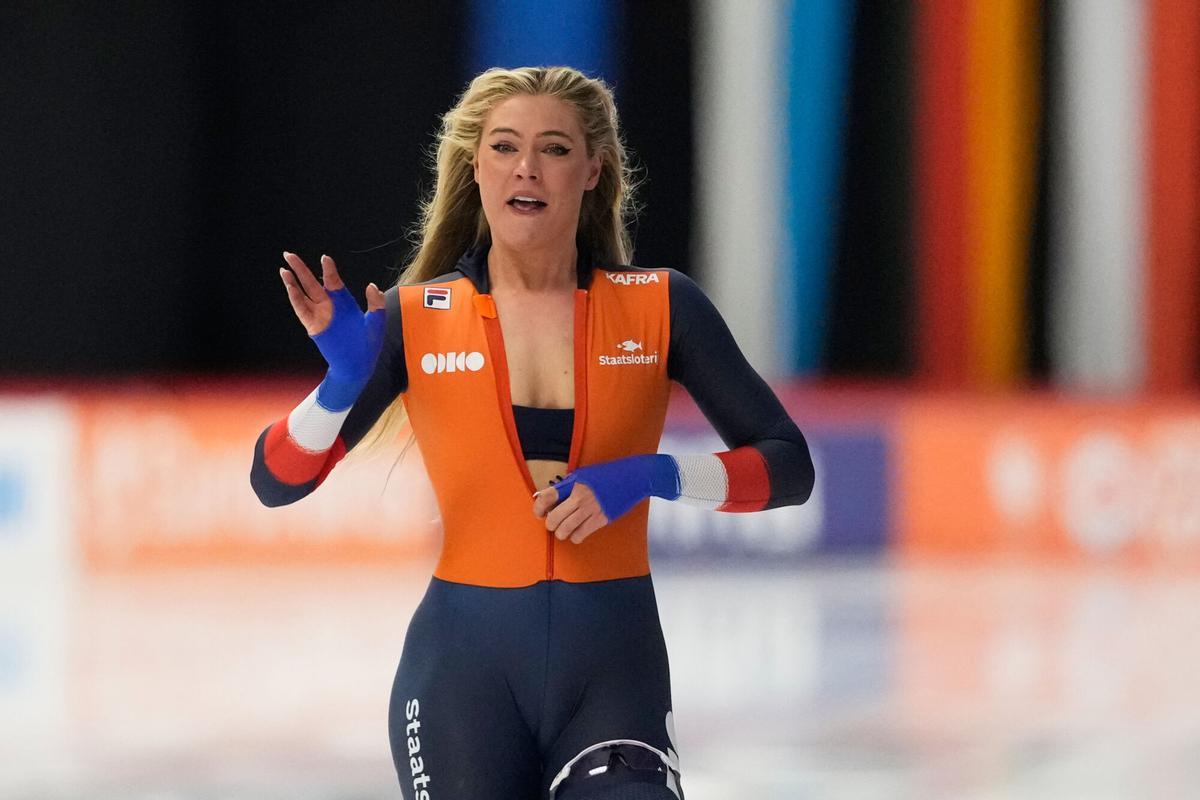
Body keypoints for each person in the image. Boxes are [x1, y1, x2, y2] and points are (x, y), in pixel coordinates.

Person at [251, 65, 814, 800]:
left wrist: (649, 475)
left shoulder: (662, 307)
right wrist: (342, 384)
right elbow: (276, 481)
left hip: (616, 681)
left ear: (592, 171)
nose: (527, 167)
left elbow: (789, 466)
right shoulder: (412, 319)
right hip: (461, 684)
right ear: (475, 167)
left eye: (553, 149)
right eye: (505, 147)